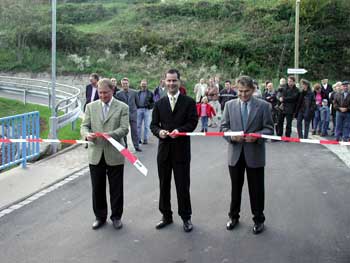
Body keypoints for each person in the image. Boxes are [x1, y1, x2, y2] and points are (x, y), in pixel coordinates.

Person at [220, 75, 274, 235]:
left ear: (253, 89)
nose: (243, 95)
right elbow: (223, 128)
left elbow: (270, 129)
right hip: (235, 154)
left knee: (256, 189)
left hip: (255, 155)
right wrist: (231, 136)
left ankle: (258, 219)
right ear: (236, 89)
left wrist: (257, 136)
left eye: (247, 91)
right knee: (235, 189)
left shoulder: (264, 106)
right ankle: (233, 217)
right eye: (241, 91)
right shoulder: (229, 105)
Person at [150, 69, 198, 232]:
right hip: (164, 152)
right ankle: (166, 216)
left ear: (179, 82)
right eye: (168, 81)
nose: (171, 84)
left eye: (174, 81)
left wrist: (180, 130)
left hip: (181, 151)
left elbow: (192, 123)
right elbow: (153, 125)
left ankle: (186, 217)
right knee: (164, 185)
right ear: (164, 82)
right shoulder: (159, 103)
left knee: (182, 186)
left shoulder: (189, 102)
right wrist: (159, 132)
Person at [80, 78, 129, 230]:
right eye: (100, 93)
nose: (102, 96)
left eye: (105, 93)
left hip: (115, 154)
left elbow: (124, 129)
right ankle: (100, 217)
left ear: (112, 90)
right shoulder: (90, 107)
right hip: (96, 154)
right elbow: (84, 126)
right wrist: (87, 135)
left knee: (116, 188)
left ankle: (116, 217)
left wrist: (109, 135)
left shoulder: (122, 107)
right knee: (97, 188)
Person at [115, 77, 142, 152]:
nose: (125, 85)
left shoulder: (134, 92)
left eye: (126, 83)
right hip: (123, 115)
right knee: (124, 132)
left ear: (128, 84)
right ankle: (125, 146)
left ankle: (136, 146)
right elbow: (118, 105)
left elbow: (138, 103)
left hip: (133, 114)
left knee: (134, 131)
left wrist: (134, 110)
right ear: (121, 85)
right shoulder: (118, 94)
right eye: (123, 84)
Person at [137, 79, 154, 145]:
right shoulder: (137, 93)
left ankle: (145, 139)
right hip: (139, 110)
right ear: (140, 85)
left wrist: (150, 107)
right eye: (142, 84)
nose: (143, 85)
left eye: (144, 84)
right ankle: (138, 139)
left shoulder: (150, 93)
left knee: (146, 126)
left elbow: (153, 102)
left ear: (146, 85)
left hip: (147, 110)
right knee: (138, 125)